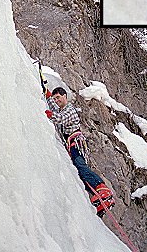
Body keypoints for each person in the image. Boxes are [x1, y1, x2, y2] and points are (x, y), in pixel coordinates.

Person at [45, 86, 115, 216]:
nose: (56, 100)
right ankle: (98, 197)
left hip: (76, 143)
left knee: (80, 166)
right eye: (55, 99)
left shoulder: (69, 110)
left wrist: (47, 114)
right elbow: (54, 108)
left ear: (65, 96)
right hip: (71, 144)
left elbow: (60, 119)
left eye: (58, 98)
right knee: (80, 174)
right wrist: (48, 96)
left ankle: (102, 189)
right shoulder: (60, 109)